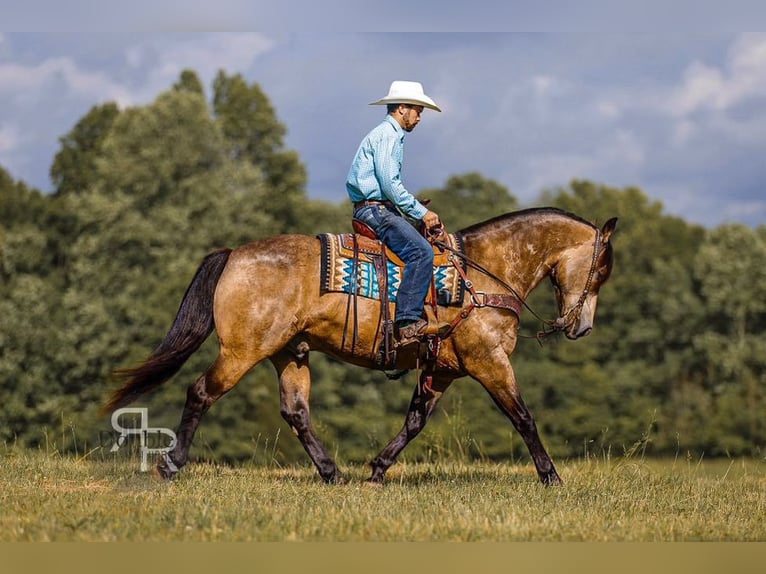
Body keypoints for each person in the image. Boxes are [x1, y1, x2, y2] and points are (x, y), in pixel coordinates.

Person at [346, 80, 447, 346]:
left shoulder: (385, 134)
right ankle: (408, 322)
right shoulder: (389, 135)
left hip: (373, 208)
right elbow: (390, 184)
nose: (419, 117)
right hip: (375, 211)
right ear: (402, 108)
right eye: (417, 110)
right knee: (422, 252)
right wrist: (421, 212)